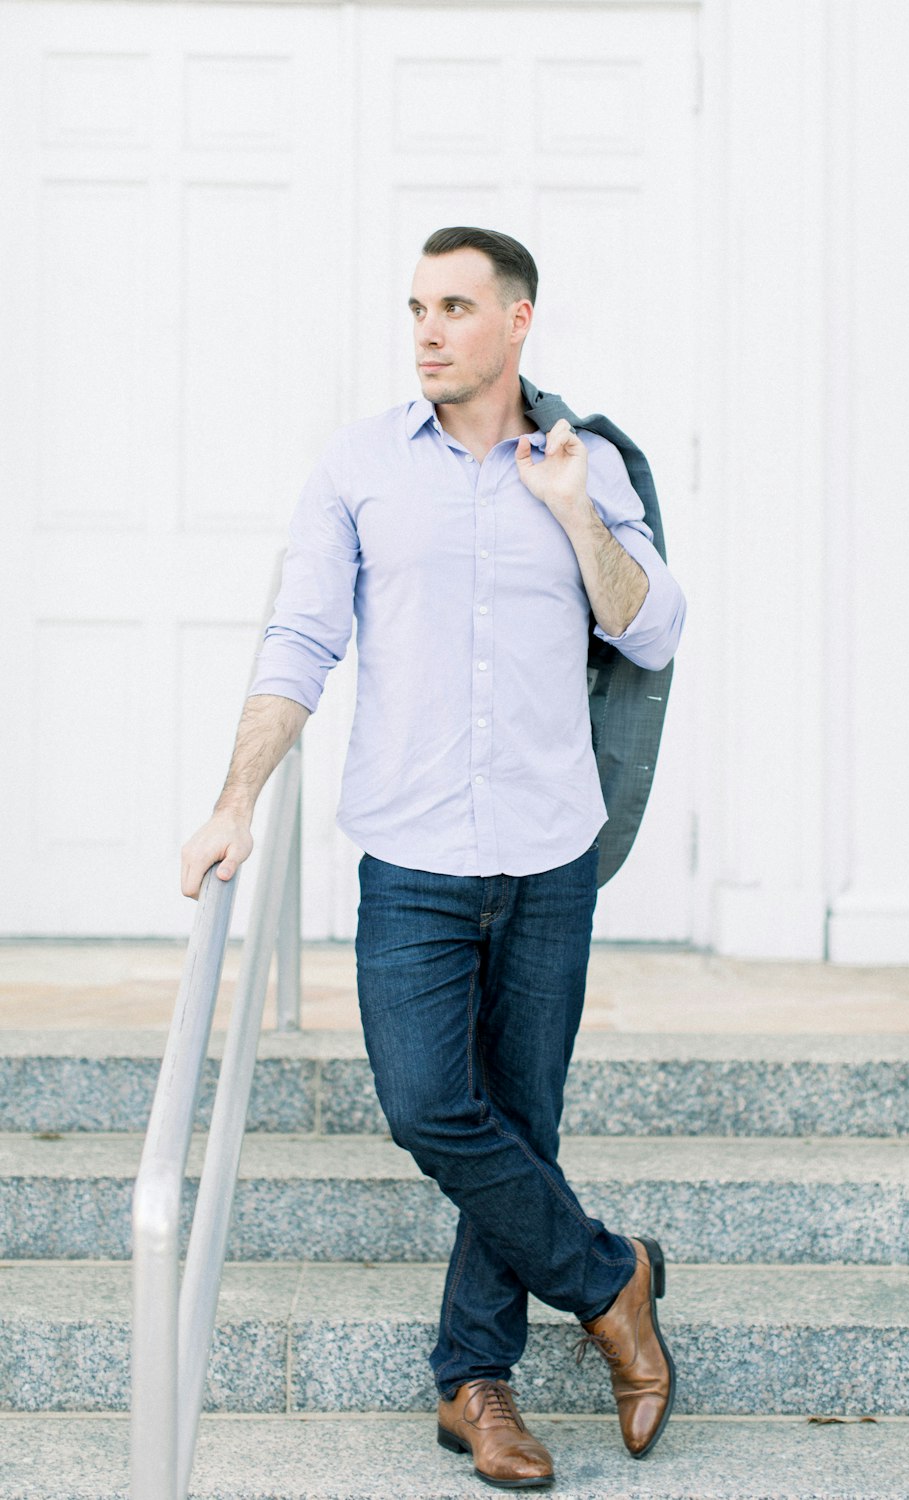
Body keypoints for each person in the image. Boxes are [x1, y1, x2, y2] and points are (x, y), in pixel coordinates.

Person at [181, 226, 687, 1490]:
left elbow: (653, 625)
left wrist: (576, 515)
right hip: (409, 855)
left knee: (520, 1119)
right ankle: (610, 1281)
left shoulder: (587, 460)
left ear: (517, 323)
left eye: (455, 306)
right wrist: (234, 798)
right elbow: (299, 641)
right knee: (428, 1108)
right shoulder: (358, 467)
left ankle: (475, 1385)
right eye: (415, 305)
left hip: (546, 851)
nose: (426, 329)